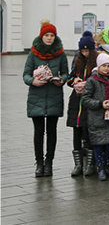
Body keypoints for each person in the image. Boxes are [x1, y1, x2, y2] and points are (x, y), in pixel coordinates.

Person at [24, 21, 68, 177]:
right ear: (41, 36)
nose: (49, 38)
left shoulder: (60, 53)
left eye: (52, 35)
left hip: (54, 96)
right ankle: (39, 163)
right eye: (47, 35)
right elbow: (26, 74)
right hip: (37, 97)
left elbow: (65, 73)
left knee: (51, 131)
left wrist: (61, 79)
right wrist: (33, 81)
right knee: (38, 132)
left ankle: (49, 162)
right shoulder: (33, 53)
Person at [82, 52, 109, 181]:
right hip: (97, 117)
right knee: (99, 145)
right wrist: (100, 104)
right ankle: (100, 168)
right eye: (104, 66)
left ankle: (107, 167)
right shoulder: (92, 80)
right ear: (98, 66)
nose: (106, 68)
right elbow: (86, 99)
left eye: (108, 66)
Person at [66, 31, 98, 177]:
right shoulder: (78, 61)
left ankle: (90, 163)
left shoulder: (96, 61)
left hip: (88, 101)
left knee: (88, 130)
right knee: (76, 131)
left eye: (87, 50)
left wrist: (88, 83)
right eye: (82, 50)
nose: (85, 53)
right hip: (76, 101)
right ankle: (78, 164)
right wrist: (74, 82)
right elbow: (70, 77)